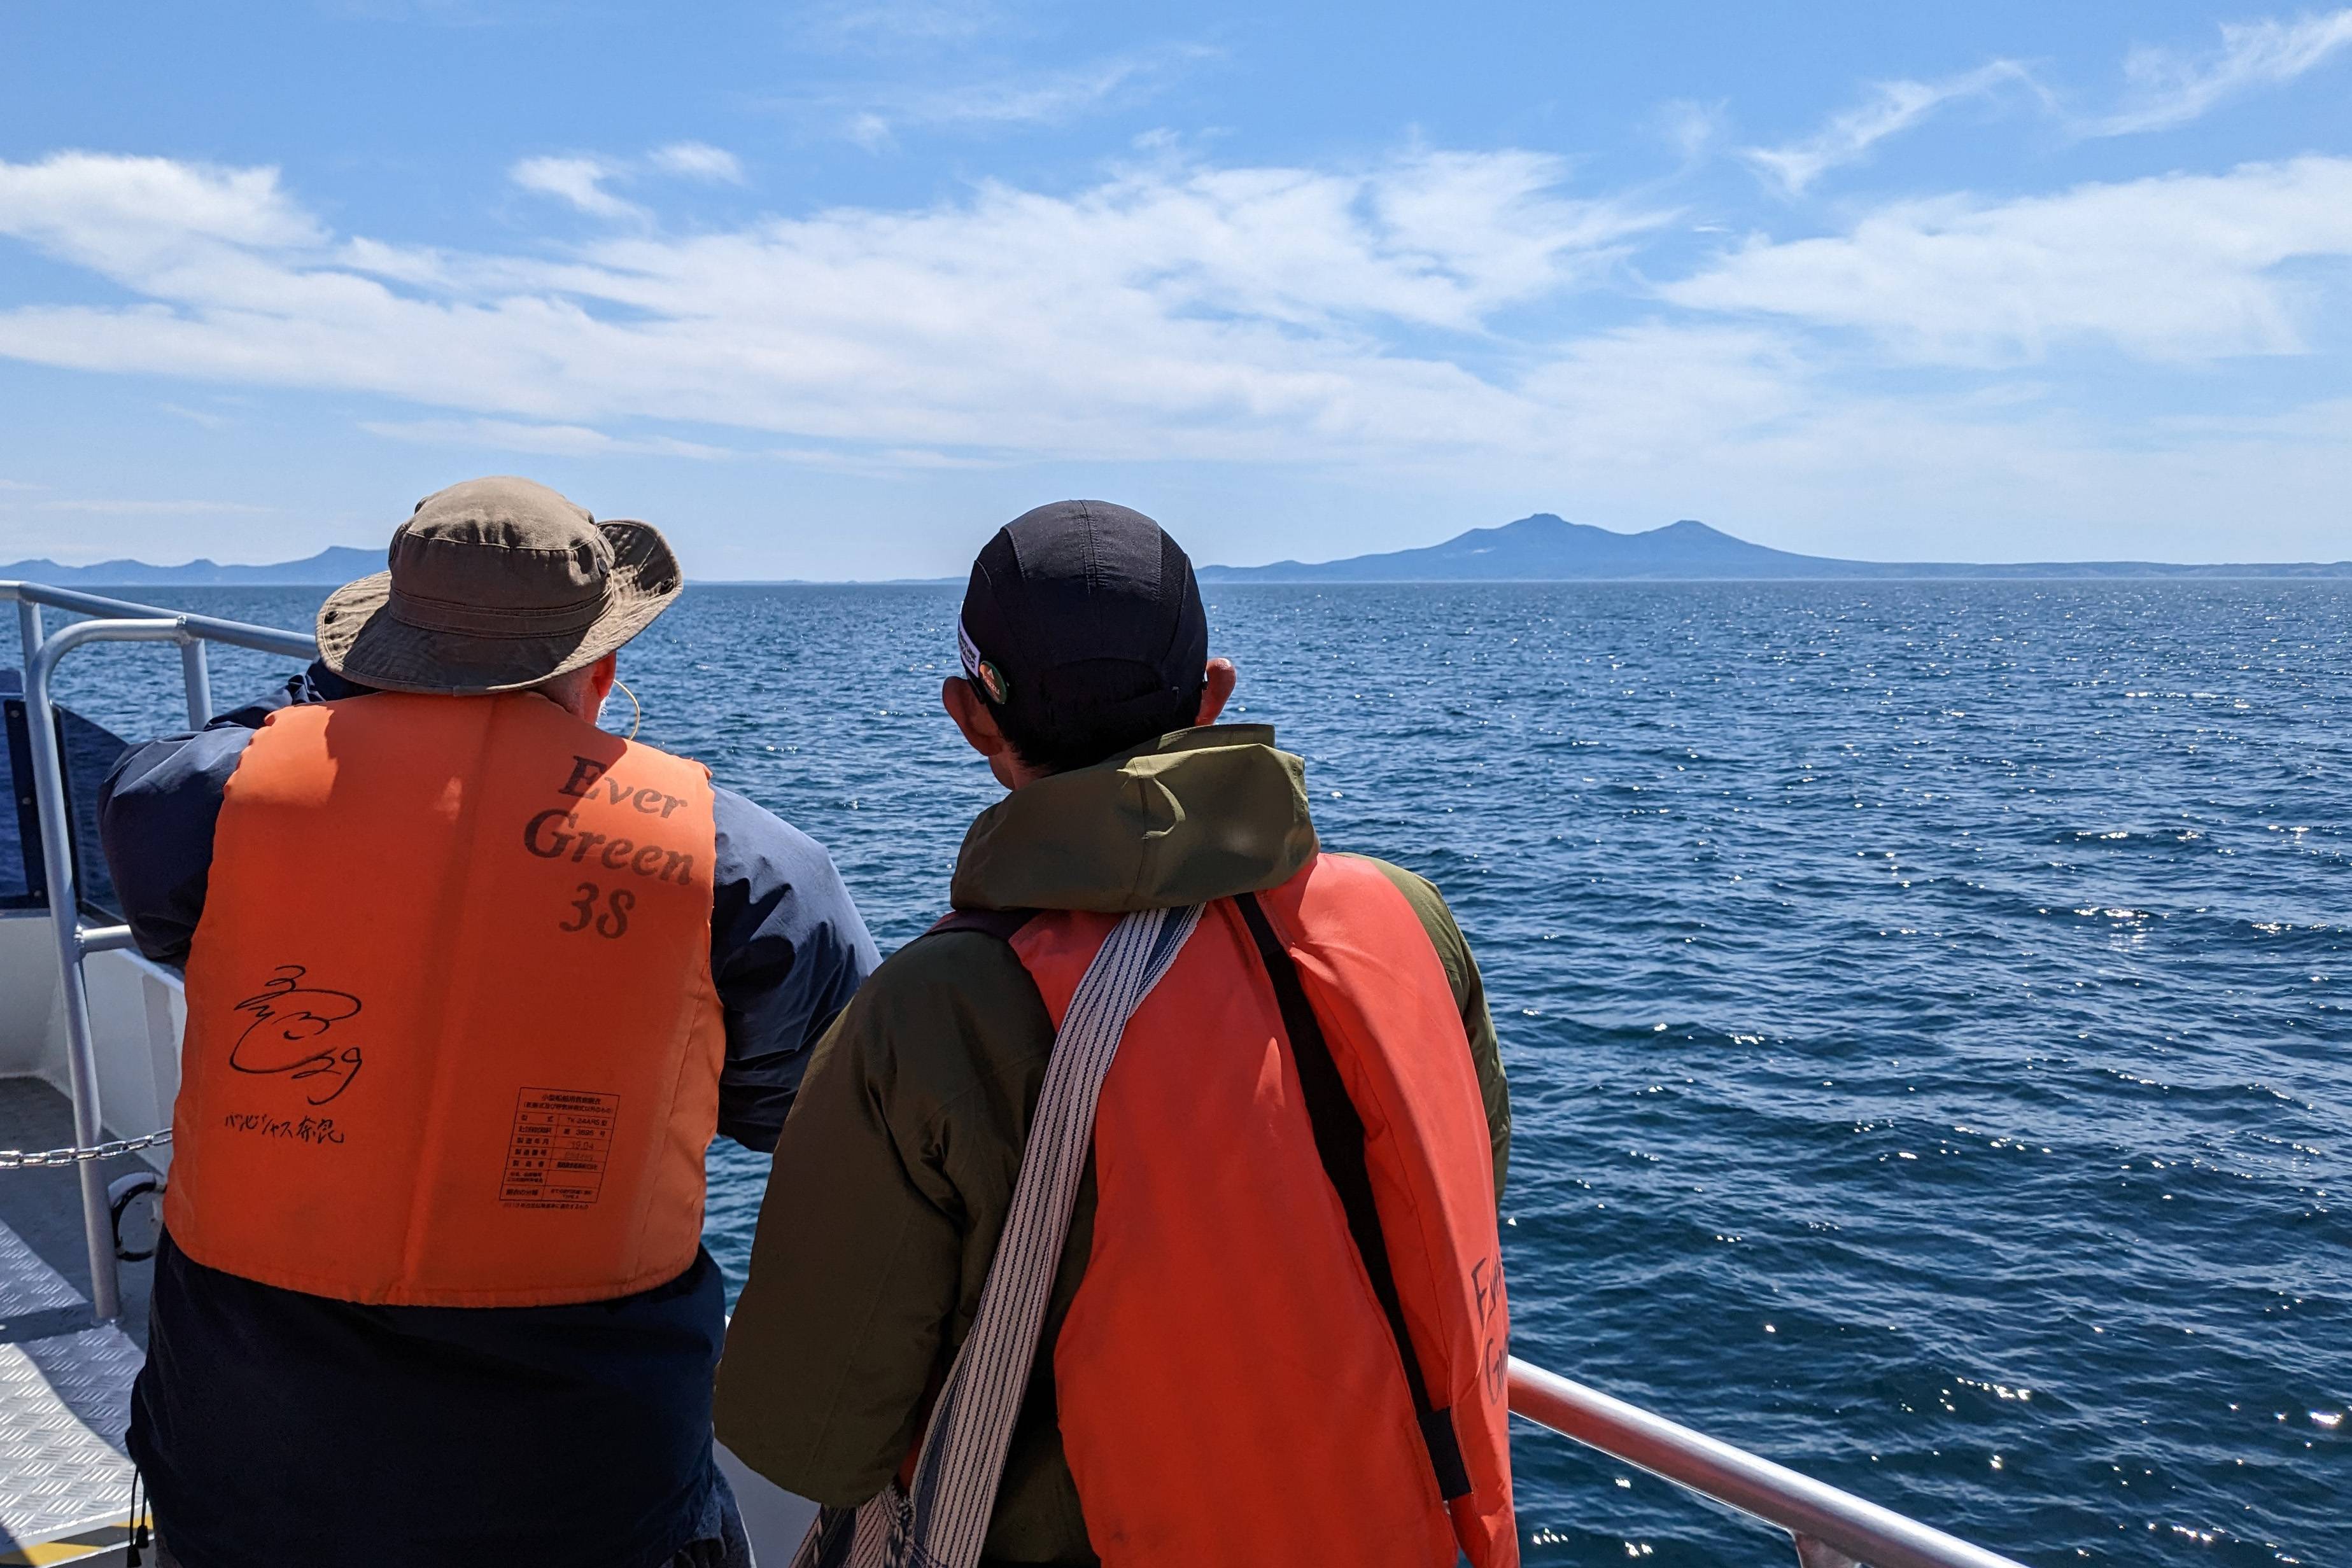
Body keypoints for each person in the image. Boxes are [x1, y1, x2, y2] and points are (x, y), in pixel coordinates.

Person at [715, 500, 1518, 1567]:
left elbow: (807, 1435)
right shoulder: (1412, 923)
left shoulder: (934, 1010)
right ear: (1215, 695)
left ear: (971, 718)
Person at [98, 477, 880, 1568]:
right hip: (590, 1492)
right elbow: (795, 1111)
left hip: (242, 1469)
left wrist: (340, 704)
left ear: (368, 655)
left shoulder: (200, 803)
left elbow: (173, 842)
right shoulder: (753, 872)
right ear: (602, 674)